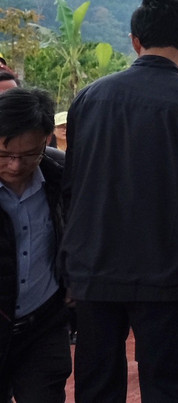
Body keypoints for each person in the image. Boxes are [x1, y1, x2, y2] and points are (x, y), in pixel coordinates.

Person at [60, 0, 178, 403]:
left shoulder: (89, 98)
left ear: (134, 40)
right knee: (168, 387)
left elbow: (72, 185)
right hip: (168, 271)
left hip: (94, 268)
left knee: (96, 386)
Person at [0, 87, 70, 402]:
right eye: (4, 155)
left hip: (42, 326)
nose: (15, 166)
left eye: (29, 155)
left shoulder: (61, 177)